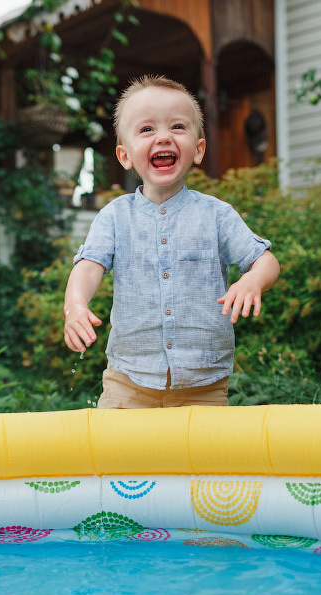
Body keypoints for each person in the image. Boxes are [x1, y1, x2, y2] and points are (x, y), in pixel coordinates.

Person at [63, 75, 280, 408]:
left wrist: (252, 280)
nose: (163, 136)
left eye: (177, 127)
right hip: (128, 381)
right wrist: (75, 305)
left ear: (198, 149)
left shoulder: (216, 215)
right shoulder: (115, 217)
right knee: (122, 459)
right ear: (125, 155)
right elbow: (88, 267)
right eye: (147, 129)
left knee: (200, 460)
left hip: (204, 383)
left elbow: (265, 260)